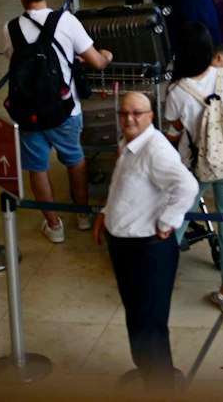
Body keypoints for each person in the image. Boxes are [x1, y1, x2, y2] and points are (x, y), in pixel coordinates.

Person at [94, 89, 198, 384]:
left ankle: (160, 384)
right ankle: (149, 373)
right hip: (125, 246)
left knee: (149, 324)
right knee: (138, 316)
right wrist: (106, 213)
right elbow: (122, 186)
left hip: (147, 250)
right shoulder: (130, 144)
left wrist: (168, 221)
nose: (129, 118)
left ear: (151, 116)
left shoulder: (156, 150)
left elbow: (187, 187)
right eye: (124, 113)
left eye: (136, 113)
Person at [163, 28, 223, 311]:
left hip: (196, 166)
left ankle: (158, 280)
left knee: (177, 217)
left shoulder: (178, 90)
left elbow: (174, 132)